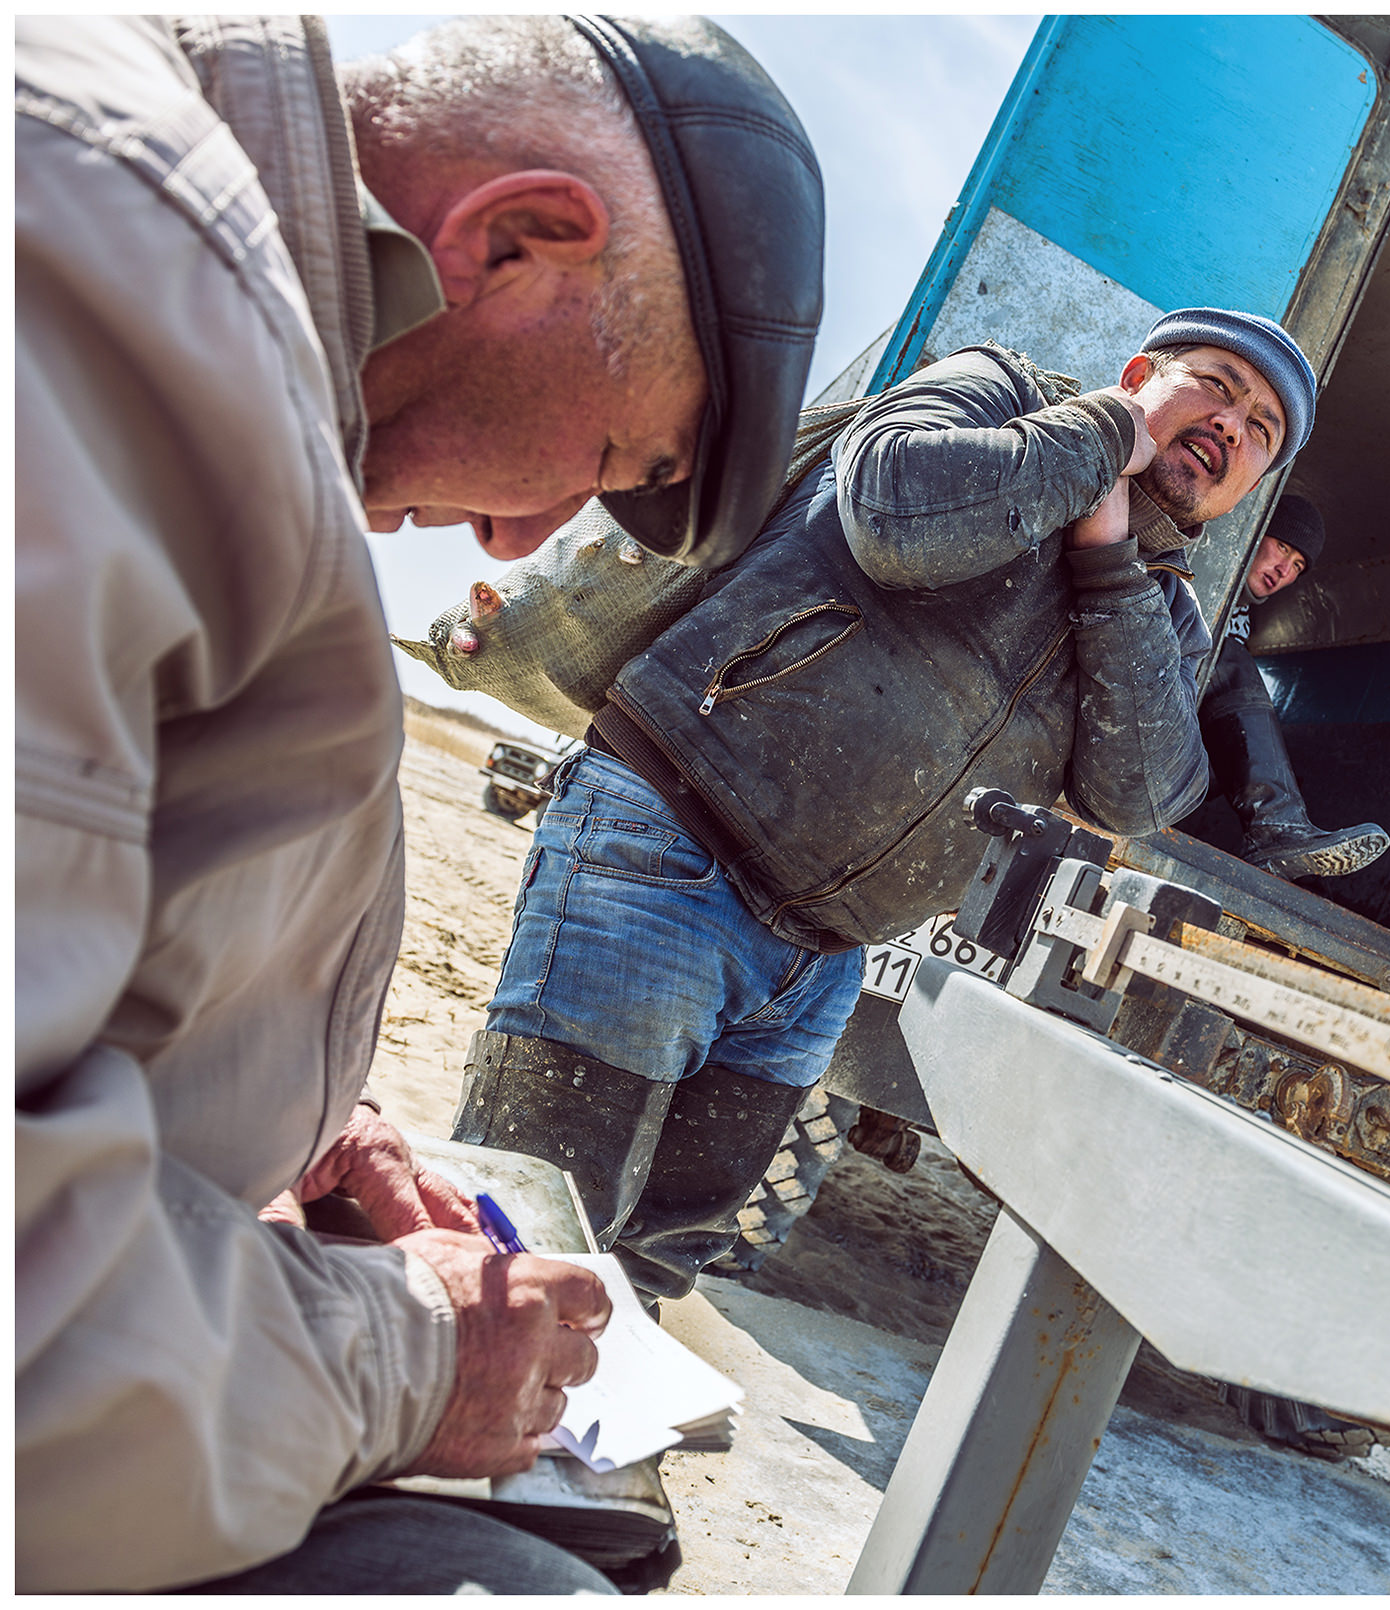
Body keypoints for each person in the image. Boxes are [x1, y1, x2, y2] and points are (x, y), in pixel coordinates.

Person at [17, 14, 825, 1593]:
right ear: (519, 241)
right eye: (603, 454)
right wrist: (412, 1354)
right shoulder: (121, 283)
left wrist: (308, 1112)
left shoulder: (166, 277)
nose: (523, 542)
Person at [451, 308, 1319, 1304]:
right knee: (520, 1225)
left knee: (648, 1270)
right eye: (1215, 383)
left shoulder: (1158, 600)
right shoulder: (999, 392)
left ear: (1252, 482)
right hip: (665, 853)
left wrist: (1108, 561)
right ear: (1138, 372)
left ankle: (559, 1439)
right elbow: (892, 514)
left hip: (817, 964)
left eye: (1260, 429)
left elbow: (1137, 791)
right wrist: (1103, 441)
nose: (1230, 423)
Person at [1192, 494, 1389, 878]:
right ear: (1256, 529)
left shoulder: (1243, 618)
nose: (1283, 569)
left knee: (1232, 740)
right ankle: (1277, 829)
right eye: (1282, 546)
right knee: (1225, 655)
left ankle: (1283, 840)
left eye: (1297, 565)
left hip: (1170, 760)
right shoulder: (1193, 565)